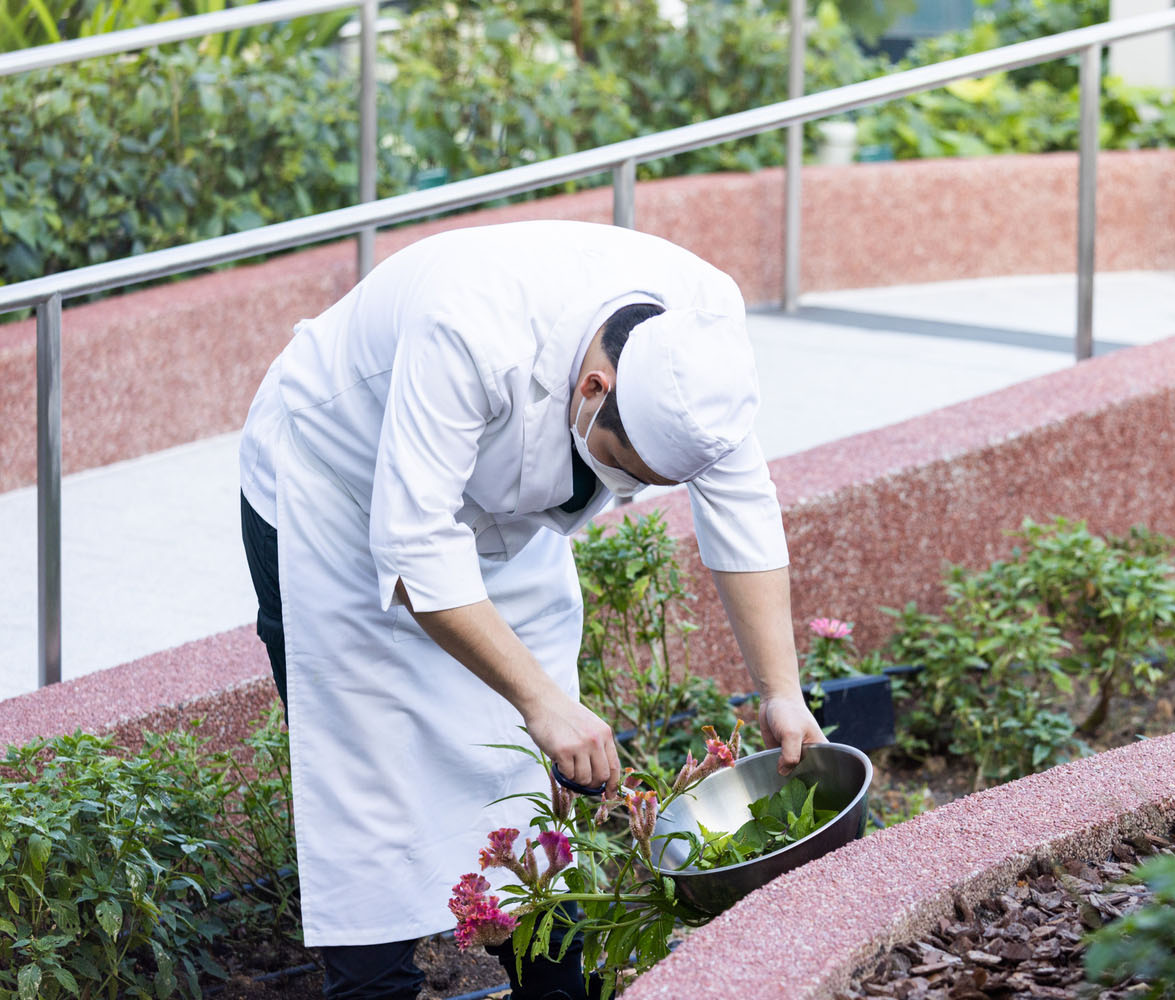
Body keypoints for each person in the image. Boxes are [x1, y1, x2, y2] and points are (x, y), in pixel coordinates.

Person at [236, 220, 825, 999]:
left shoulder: (702, 329)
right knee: (370, 783)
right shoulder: (471, 326)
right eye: (623, 466)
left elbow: (743, 507)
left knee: (517, 779)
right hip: (338, 493)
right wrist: (543, 702)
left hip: (505, 525)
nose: (629, 488)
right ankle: (374, 985)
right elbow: (414, 549)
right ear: (594, 390)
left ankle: (552, 989)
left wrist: (782, 691)